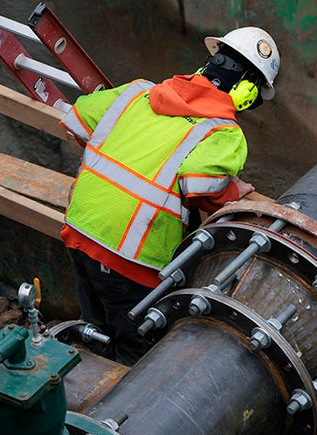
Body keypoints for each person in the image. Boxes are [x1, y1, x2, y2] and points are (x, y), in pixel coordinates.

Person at [59, 26, 280, 365]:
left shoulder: (137, 92)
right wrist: (239, 191)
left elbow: (78, 119)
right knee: (137, 357)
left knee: (97, 330)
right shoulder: (224, 132)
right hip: (131, 257)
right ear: (248, 91)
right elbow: (201, 185)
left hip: (80, 226)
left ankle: (84, 381)